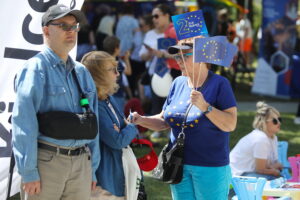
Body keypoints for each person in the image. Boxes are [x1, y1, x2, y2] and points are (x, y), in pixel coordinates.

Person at [131, 36, 237, 200]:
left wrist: (205, 107)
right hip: (178, 165)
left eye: (184, 56)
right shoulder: (178, 82)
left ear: (202, 57)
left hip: (209, 166)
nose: (178, 61)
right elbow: (165, 121)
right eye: (177, 56)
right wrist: (141, 119)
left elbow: (230, 124)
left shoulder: (220, 84)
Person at [12, 4, 100, 200]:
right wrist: (29, 172)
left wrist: (92, 168)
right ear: (46, 30)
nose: (71, 32)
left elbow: (93, 123)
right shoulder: (35, 69)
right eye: (63, 26)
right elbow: (24, 124)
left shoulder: (82, 72)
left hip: (81, 165)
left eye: (74, 26)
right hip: (47, 164)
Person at [81, 51, 139, 199]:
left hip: (116, 174)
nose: (117, 74)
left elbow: (120, 135)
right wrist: (131, 126)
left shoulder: (108, 98)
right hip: (105, 181)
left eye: (117, 69)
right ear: (98, 75)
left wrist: (124, 129)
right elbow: (117, 140)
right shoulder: (95, 105)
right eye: (111, 69)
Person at [139, 3, 178, 138]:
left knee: (173, 101)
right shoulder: (155, 33)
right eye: (152, 16)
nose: (154, 19)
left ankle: (171, 129)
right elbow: (142, 55)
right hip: (157, 73)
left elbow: (185, 52)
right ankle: (161, 128)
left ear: (166, 16)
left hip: (176, 72)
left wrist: (161, 54)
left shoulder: (174, 31)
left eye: (156, 16)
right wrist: (152, 54)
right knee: (159, 101)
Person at [230, 101, 283, 180]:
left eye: (279, 119)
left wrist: (273, 168)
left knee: (279, 180)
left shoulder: (273, 137)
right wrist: (275, 171)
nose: (279, 123)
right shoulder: (261, 139)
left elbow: (268, 165)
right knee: (276, 180)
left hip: (251, 172)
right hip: (238, 175)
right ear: (264, 122)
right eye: (275, 121)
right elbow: (261, 169)